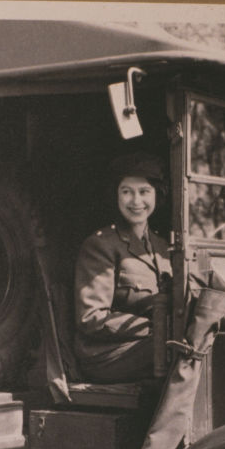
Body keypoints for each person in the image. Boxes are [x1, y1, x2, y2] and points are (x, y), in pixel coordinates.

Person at [73, 153, 172, 383]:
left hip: (146, 346)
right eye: (126, 191)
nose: (136, 201)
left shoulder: (163, 247)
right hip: (107, 355)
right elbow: (91, 317)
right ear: (116, 196)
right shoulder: (101, 244)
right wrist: (153, 328)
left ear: (157, 194)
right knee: (178, 350)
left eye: (144, 191)